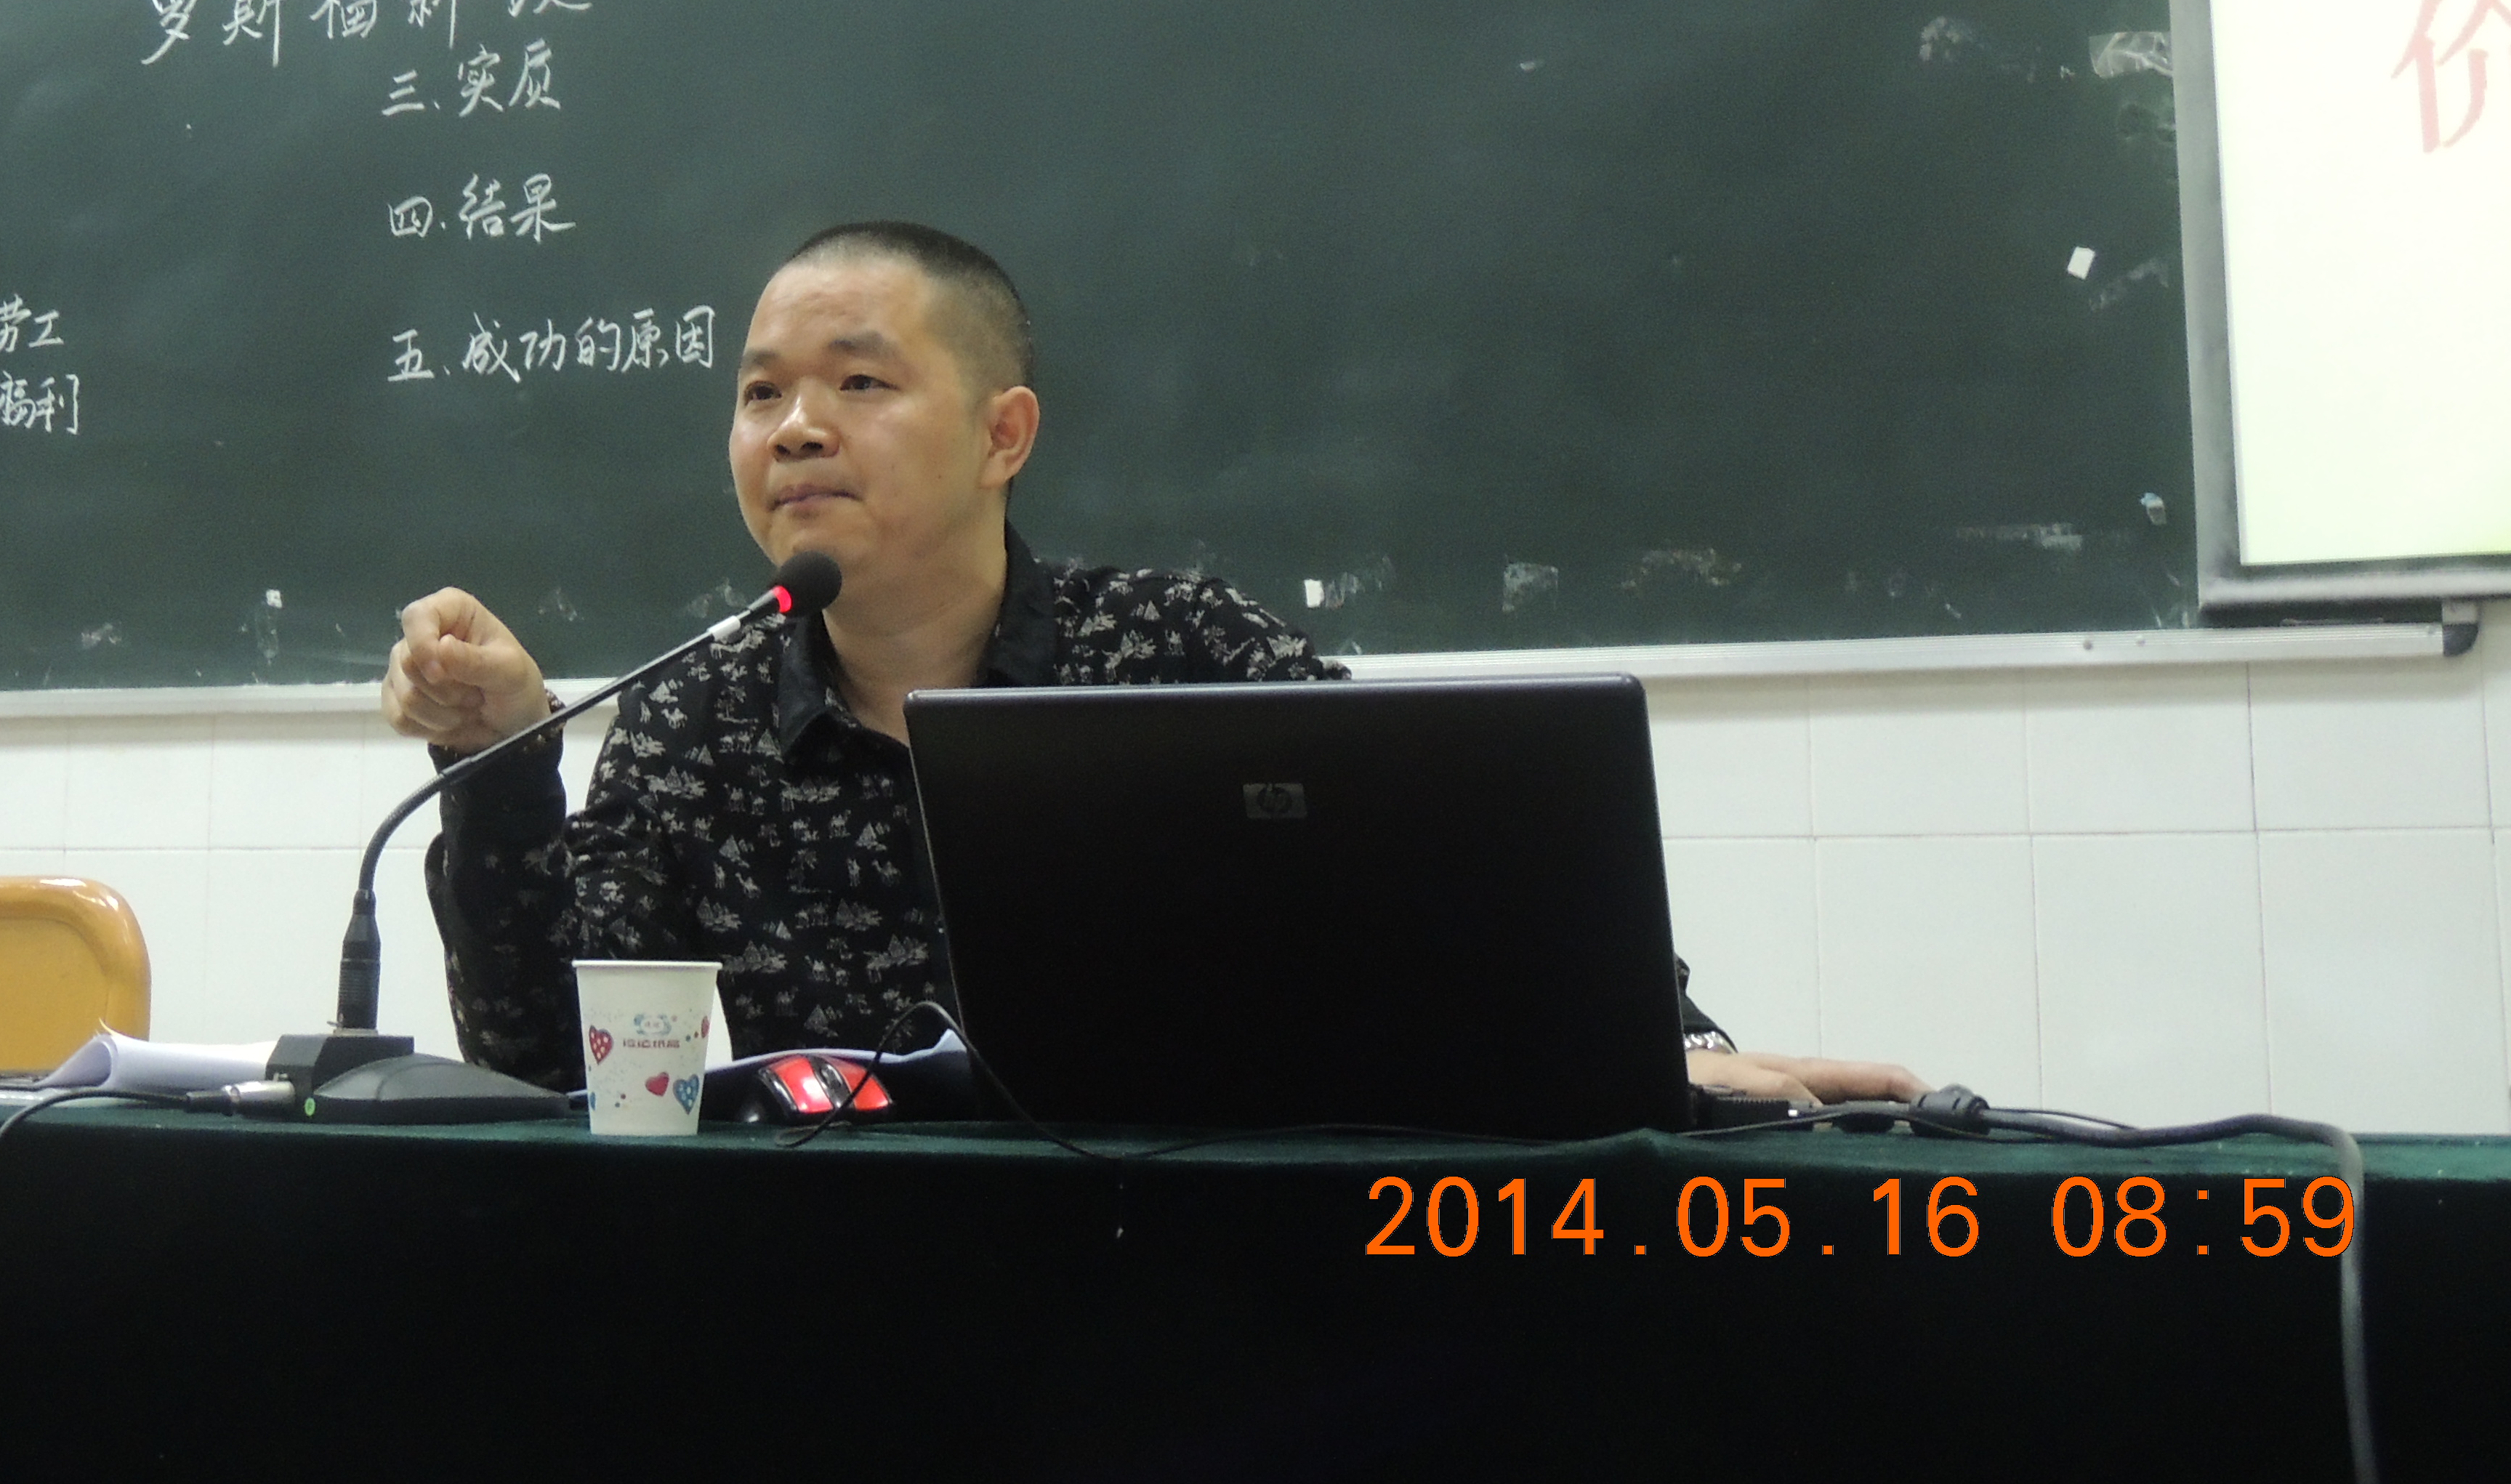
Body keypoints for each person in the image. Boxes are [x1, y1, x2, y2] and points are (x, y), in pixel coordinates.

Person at [387, 220, 1918, 1113]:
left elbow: (1457, 887)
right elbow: (552, 1077)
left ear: (1004, 434)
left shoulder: (1177, 654)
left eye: (859, 382)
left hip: (1207, 1275)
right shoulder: (695, 715)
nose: (794, 430)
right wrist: (500, 764)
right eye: (760, 394)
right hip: (843, 1300)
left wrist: (1667, 1059)